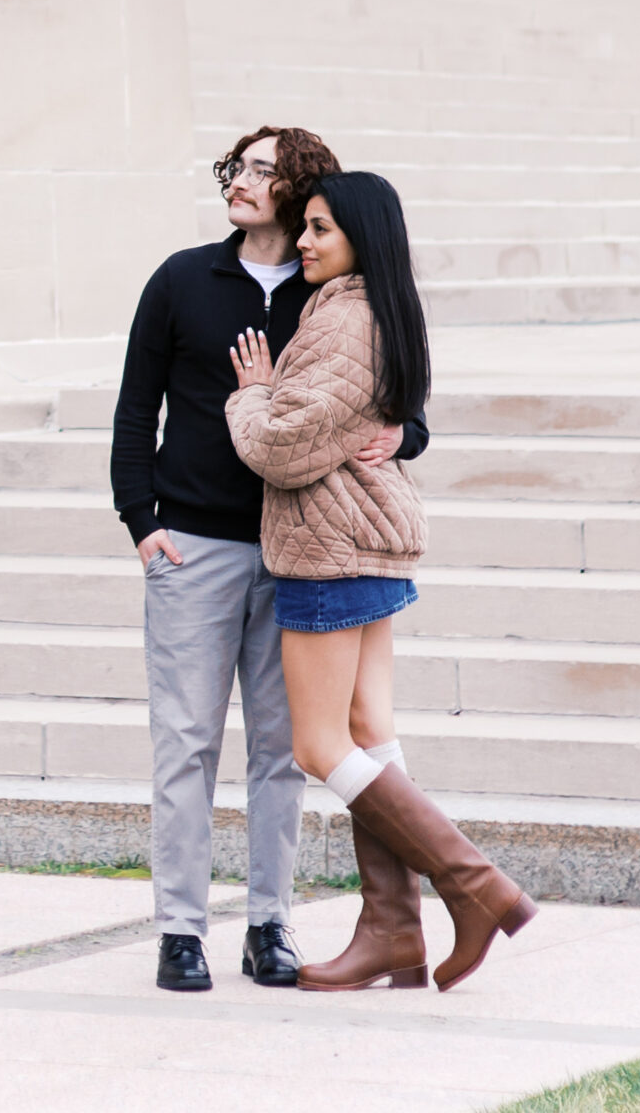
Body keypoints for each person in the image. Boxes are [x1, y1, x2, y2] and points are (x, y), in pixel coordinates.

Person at [110, 127, 431, 994]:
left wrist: (408, 434)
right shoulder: (182, 278)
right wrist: (139, 518)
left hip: (298, 555)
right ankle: (180, 931)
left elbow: (394, 397)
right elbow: (136, 408)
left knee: (283, 750)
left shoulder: (327, 291)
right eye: (237, 167)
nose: (241, 183)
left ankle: (268, 923)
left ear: (299, 193)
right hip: (194, 545)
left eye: (263, 171)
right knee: (183, 743)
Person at [227, 170, 537, 994]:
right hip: (365, 541)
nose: (303, 241)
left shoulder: (344, 322)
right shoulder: (372, 311)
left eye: (320, 229)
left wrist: (252, 395)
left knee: (318, 745)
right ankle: (395, 929)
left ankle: (474, 885)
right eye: (305, 228)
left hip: (328, 548)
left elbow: (281, 448)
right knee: (368, 733)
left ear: (360, 236)